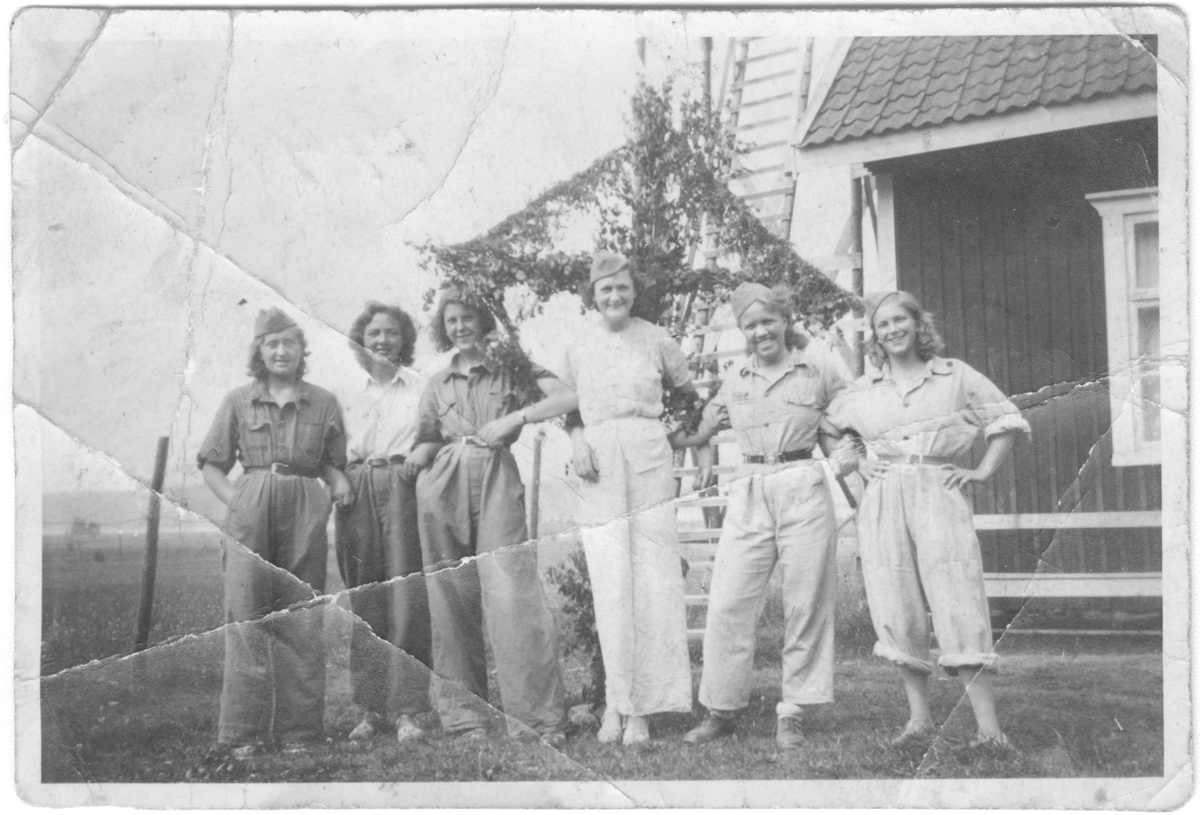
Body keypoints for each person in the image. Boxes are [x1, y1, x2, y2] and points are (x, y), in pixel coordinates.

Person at [823, 290, 1030, 751]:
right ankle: (919, 720)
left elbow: (1007, 420)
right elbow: (830, 429)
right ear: (875, 336)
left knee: (958, 598)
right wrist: (856, 462)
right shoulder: (863, 389)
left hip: (939, 489)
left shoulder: (954, 376)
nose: (892, 330)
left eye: (901, 320)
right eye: (883, 325)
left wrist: (981, 470)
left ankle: (989, 730)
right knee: (895, 601)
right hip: (883, 496)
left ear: (918, 324)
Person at [671, 282, 850, 750]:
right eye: (750, 325)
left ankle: (793, 711)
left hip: (803, 485)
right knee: (728, 602)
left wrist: (856, 456)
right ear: (742, 332)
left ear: (785, 321)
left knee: (805, 602)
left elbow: (850, 421)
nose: (760, 331)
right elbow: (698, 429)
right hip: (749, 490)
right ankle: (720, 710)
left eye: (768, 320)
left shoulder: (821, 367)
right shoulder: (736, 379)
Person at [414, 287, 576, 746]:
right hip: (442, 484)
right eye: (451, 321)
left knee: (511, 593)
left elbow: (567, 398)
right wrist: (425, 459)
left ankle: (536, 720)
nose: (460, 326)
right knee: (449, 596)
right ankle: (465, 719)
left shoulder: (510, 368)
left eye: (468, 318)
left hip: (497, 478)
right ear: (442, 329)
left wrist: (517, 419)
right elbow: (424, 437)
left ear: (483, 321)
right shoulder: (437, 383)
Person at [197, 308, 352, 757]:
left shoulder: (323, 402)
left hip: (305, 505)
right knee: (247, 616)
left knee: (301, 617)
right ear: (259, 352)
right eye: (272, 344)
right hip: (252, 503)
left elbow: (330, 459)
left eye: (289, 343)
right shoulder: (237, 401)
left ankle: (299, 733)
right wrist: (238, 502)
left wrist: (336, 480)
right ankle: (242, 734)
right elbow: (212, 464)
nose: (281, 351)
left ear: (303, 350)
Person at [560, 252, 695, 746]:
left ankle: (644, 709)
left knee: (653, 580)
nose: (614, 298)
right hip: (597, 460)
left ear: (634, 292)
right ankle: (616, 705)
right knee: (610, 580)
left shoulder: (657, 338)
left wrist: (672, 436)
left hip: (648, 457)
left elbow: (686, 396)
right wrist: (577, 443)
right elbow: (566, 406)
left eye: (622, 289)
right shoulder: (578, 343)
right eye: (604, 291)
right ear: (592, 296)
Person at [336, 302, 439, 743]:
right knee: (366, 599)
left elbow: (439, 434)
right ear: (362, 339)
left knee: (407, 599)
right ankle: (371, 709)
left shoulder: (421, 387)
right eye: (374, 333)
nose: (382, 340)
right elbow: (329, 448)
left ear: (404, 340)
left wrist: (426, 450)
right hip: (356, 487)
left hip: (403, 485)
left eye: (391, 333)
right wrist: (338, 479)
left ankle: (410, 710)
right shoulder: (344, 390)